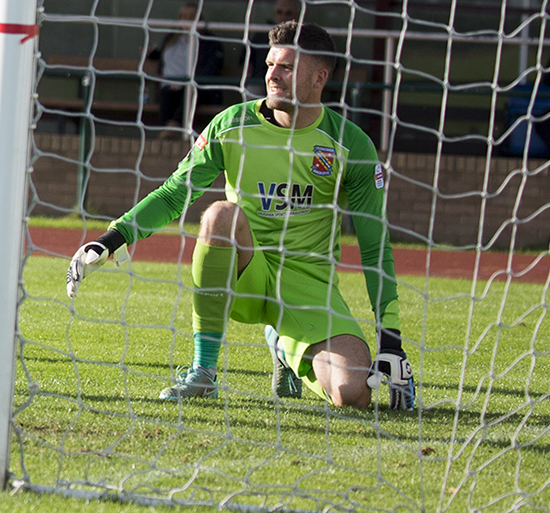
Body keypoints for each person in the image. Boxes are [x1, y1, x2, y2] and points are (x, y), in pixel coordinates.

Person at [67, 20, 415, 410]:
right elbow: (173, 195)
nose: (272, 75)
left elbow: (374, 248)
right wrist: (113, 237)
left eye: (286, 67)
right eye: (270, 65)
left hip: (309, 286)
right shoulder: (231, 124)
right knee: (220, 214)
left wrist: (392, 341)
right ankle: (203, 373)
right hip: (244, 273)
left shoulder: (350, 143)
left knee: (352, 395)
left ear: (320, 77)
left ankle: (287, 349)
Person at [151, 1, 224, 136]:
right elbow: (163, 60)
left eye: (192, 16)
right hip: (169, 86)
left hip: (196, 88)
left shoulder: (209, 42)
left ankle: (168, 133)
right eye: (184, 16)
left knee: (188, 93)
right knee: (167, 94)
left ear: (199, 19)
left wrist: (186, 82)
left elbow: (211, 69)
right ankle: (167, 133)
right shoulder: (170, 38)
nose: (188, 20)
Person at [244, 0, 302, 99]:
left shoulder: (304, 38)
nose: (283, 17)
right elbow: (246, 62)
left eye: (288, 13)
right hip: (260, 82)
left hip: (292, 82)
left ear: (297, 16)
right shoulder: (261, 35)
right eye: (279, 12)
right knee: (252, 90)